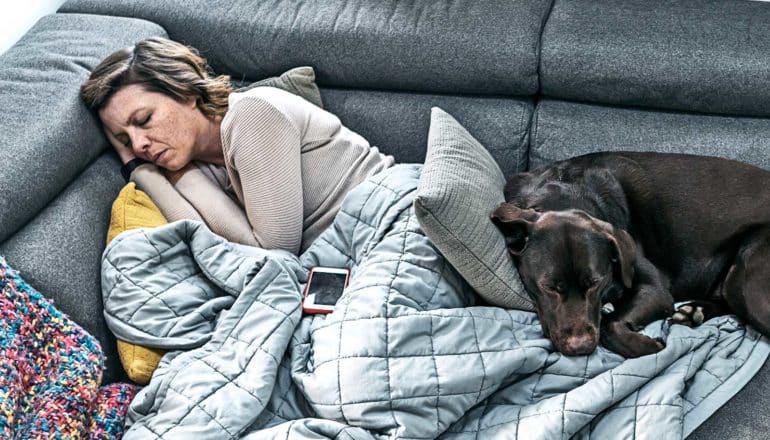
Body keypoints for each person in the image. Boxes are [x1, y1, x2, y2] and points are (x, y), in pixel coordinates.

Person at [80, 37, 394, 255]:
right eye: (124, 140)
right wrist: (140, 169)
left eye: (145, 119)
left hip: (391, 220)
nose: (139, 144)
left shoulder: (251, 115)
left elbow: (272, 255)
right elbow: (203, 240)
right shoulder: (199, 166)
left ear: (185, 90)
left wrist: (164, 172)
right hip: (353, 250)